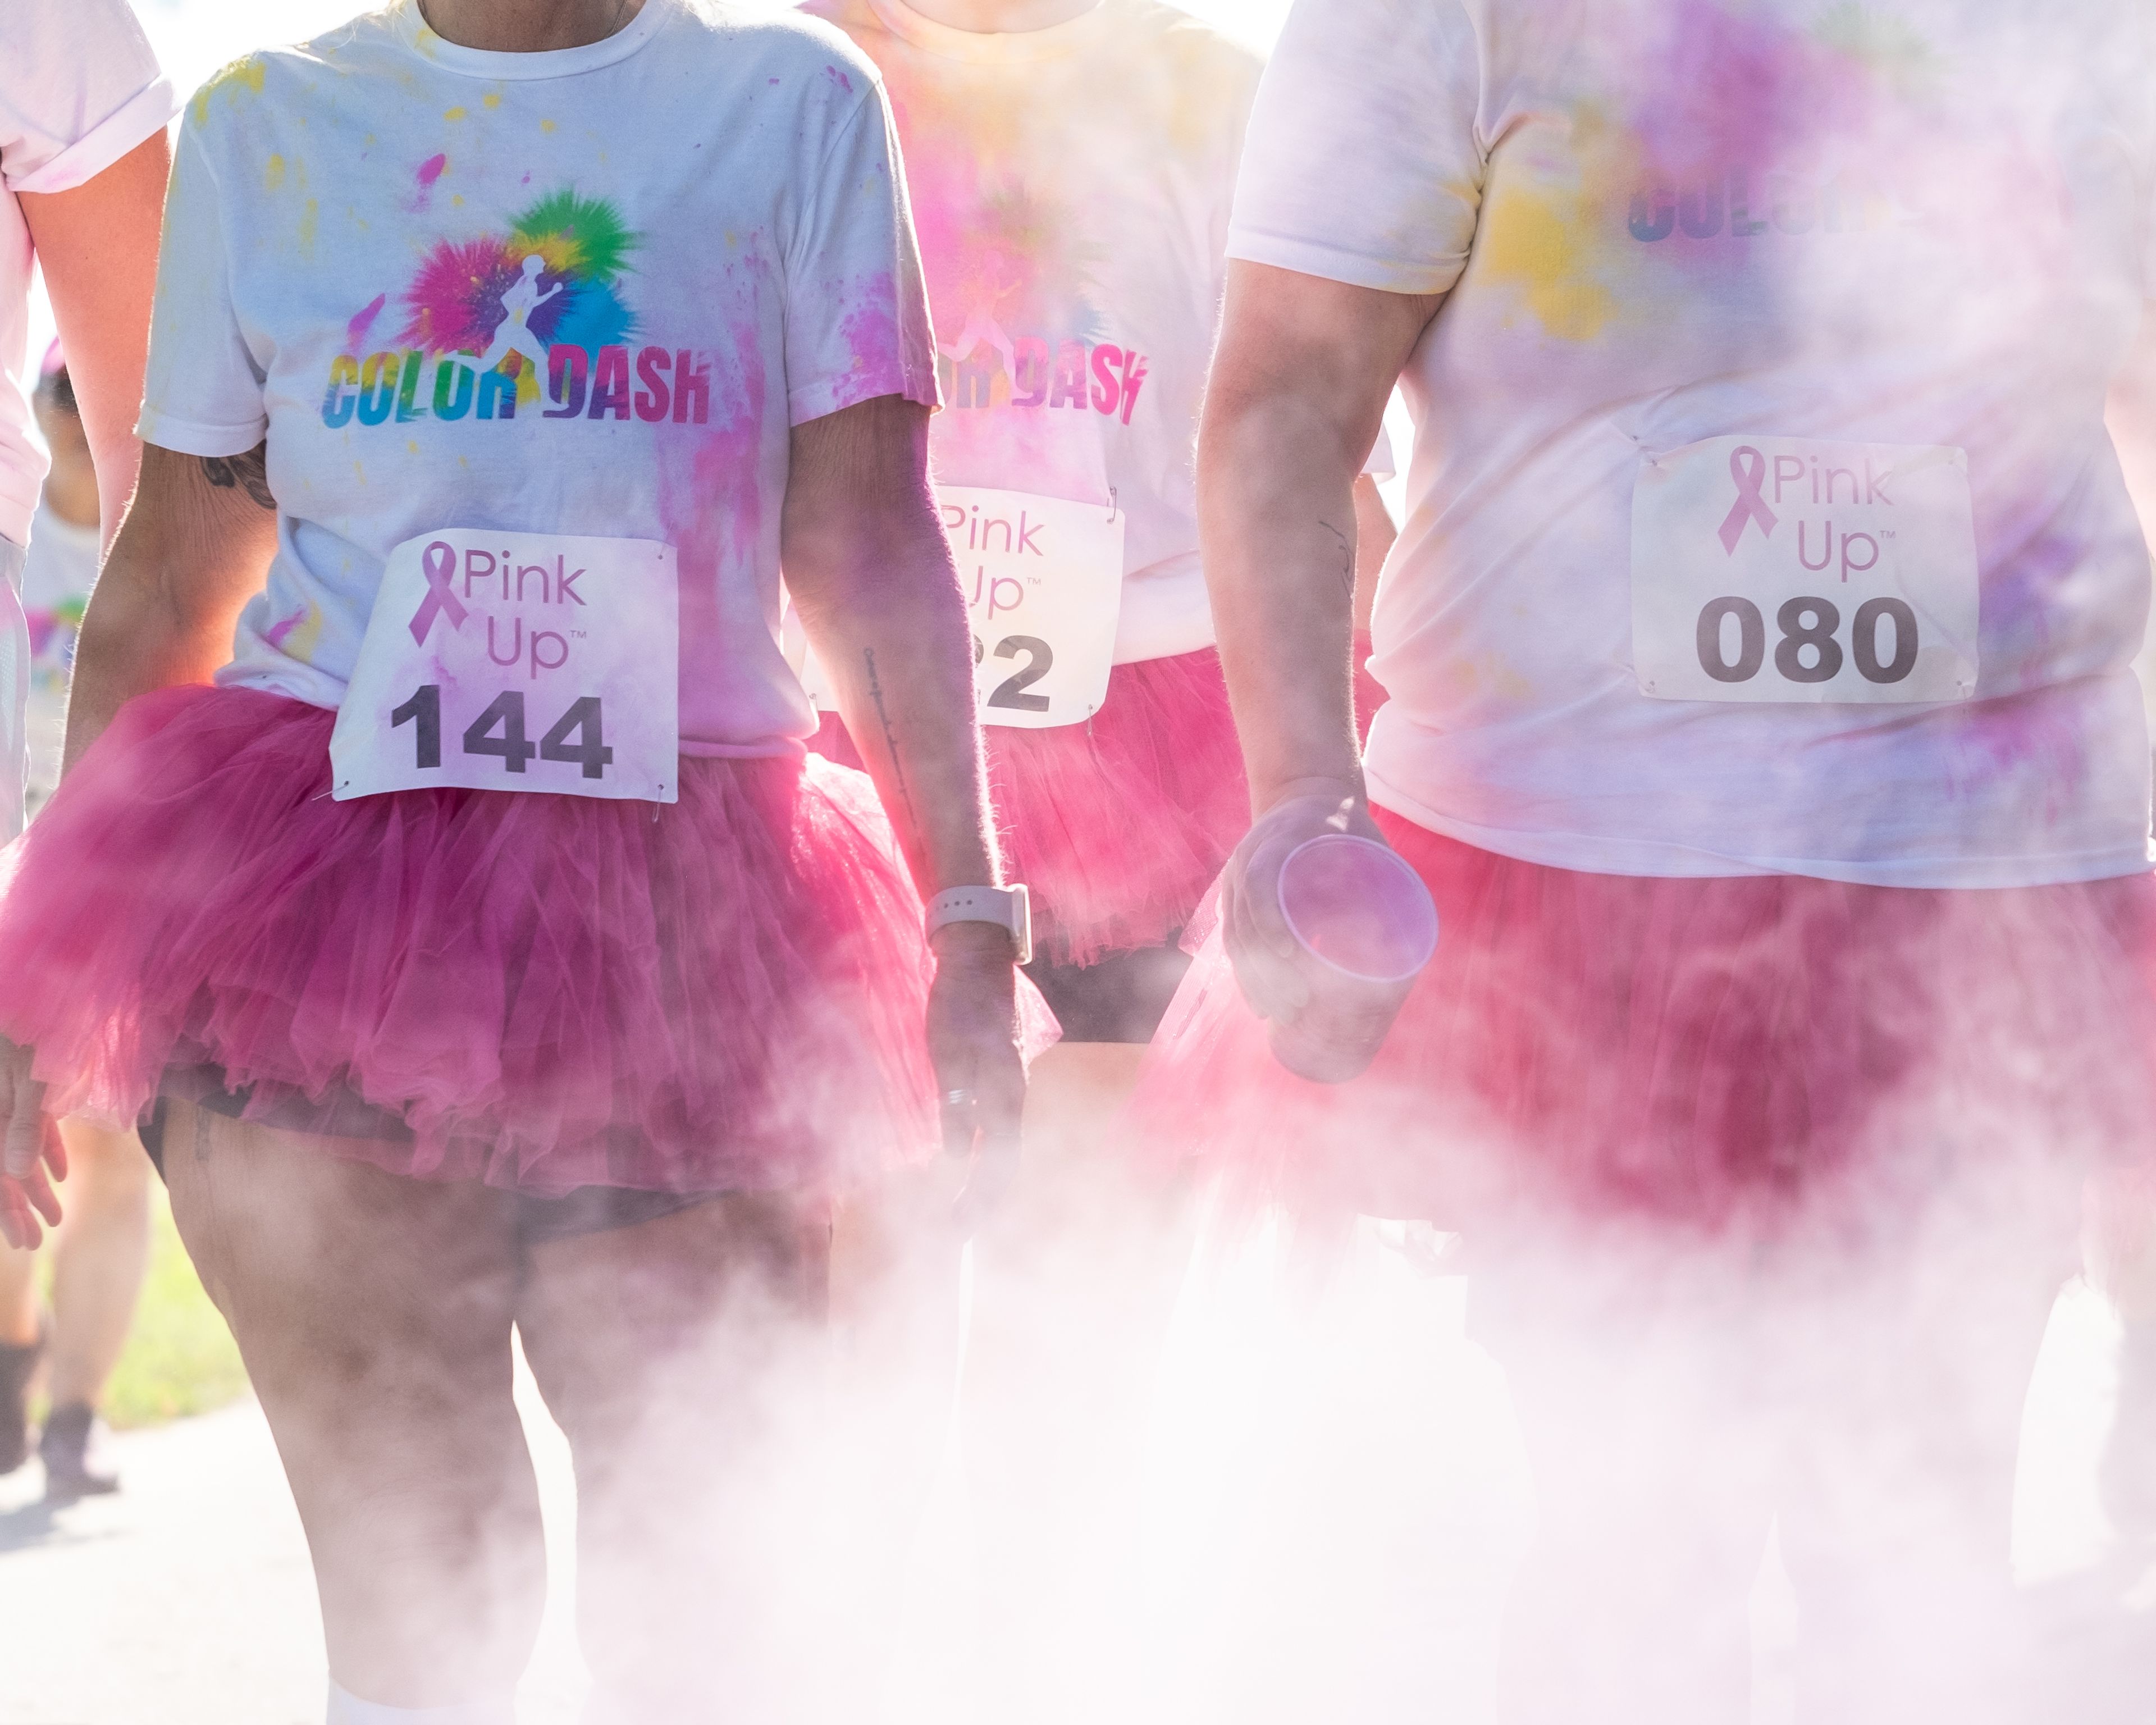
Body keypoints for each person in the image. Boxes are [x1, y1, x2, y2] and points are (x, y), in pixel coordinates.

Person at [0, 1, 1044, 1718]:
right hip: (327, 923)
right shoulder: (272, 121)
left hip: (701, 925)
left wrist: (970, 919)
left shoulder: (791, 106)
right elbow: (169, 576)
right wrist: (38, 981)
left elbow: (869, 542)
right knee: (432, 1610)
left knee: (703, 1617)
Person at [1140, 0, 2156, 1717]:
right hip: (1575, 866)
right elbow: (1282, 409)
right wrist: (1303, 795)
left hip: (1987, 865)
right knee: (1629, 1534)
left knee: (1914, 1536)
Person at [793, 0, 1390, 1712]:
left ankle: (1027, 1669)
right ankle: (836, 1657)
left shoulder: (1221, 99)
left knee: (1081, 1301)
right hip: (867, 757)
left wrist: (1403, 715)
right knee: (865, 1285)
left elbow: (1306, 437)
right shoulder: (809, 88)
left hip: (1159, 743)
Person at [0, 2, 171, 1490]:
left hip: (82, 844)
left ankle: (70, 1419)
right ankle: (14, 1381)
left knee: (106, 1140)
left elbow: (182, 501)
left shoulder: (50, 35)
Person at [0, 349, 156, 1499]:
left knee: (106, 1147)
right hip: (8, 861)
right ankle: (14, 1356)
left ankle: (77, 1420)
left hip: (116, 875)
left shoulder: (151, 526)